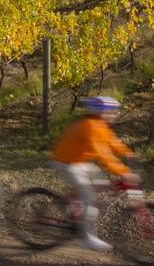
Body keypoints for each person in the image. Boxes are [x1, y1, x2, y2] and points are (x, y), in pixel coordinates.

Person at [50, 95, 139, 251]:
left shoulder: (101, 126)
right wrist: (123, 172)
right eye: (112, 111)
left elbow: (113, 143)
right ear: (101, 112)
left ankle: (72, 204)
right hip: (66, 163)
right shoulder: (90, 126)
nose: (115, 114)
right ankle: (86, 238)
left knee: (102, 183)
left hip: (81, 162)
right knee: (89, 198)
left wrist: (129, 154)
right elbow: (103, 154)